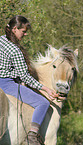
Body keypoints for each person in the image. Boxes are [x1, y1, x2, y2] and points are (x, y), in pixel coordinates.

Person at [0, 15, 58, 145]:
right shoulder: (15, 50)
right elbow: (25, 77)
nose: (25, 34)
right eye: (23, 31)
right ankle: (32, 136)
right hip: (7, 84)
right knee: (42, 103)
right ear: (14, 29)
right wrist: (46, 89)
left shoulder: (1, 40)